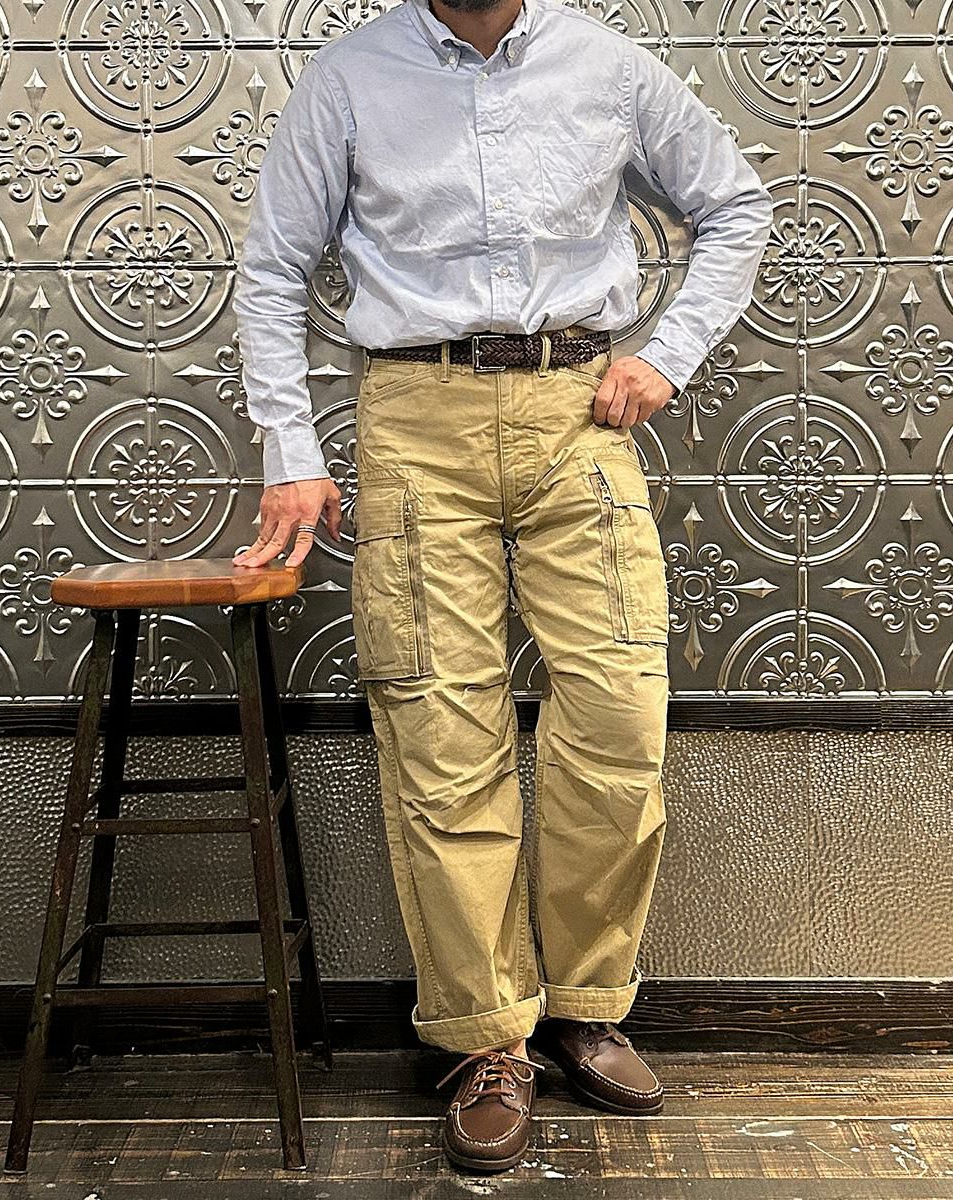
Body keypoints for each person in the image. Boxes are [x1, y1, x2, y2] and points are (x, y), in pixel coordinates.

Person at [231, 0, 773, 1173]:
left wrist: (666, 356)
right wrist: (291, 453)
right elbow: (272, 266)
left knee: (619, 712)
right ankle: (487, 1037)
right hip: (413, 413)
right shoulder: (350, 77)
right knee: (441, 725)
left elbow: (736, 203)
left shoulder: (607, 65)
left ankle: (587, 1005)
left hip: (581, 412)